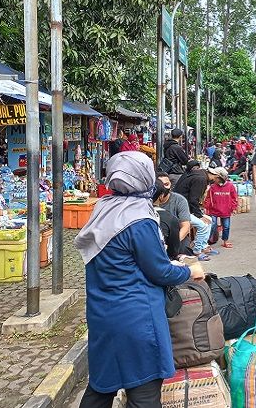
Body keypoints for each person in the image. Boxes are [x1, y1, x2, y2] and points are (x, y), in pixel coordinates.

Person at [74, 151, 204, 408]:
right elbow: (160, 272)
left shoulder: (103, 208)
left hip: (102, 313)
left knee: (101, 388)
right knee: (143, 393)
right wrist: (189, 271)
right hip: (136, 316)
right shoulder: (139, 220)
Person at [173, 161, 218, 260]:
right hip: (179, 210)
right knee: (202, 225)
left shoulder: (199, 174)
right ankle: (197, 251)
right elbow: (194, 199)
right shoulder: (200, 178)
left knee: (209, 220)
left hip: (182, 207)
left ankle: (203, 246)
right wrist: (199, 216)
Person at [154, 173, 192, 253]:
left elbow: (185, 226)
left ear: (171, 185)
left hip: (176, 237)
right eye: (161, 185)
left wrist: (174, 243)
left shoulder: (179, 200)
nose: (164, 187)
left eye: (166, 184)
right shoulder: (147, 201)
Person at [204, 167, 238, 249]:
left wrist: (234, 208)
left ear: (220, 178)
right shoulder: (212, 187)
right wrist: (207, 207)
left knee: (226, 226)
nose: (213, 179)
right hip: (213, 210)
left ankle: (225, 241)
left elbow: (234, 198)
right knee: (212, 225)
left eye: (215, 177)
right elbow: (208, 198)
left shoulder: (230, 186)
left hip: (226, 210)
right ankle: (206, 242)